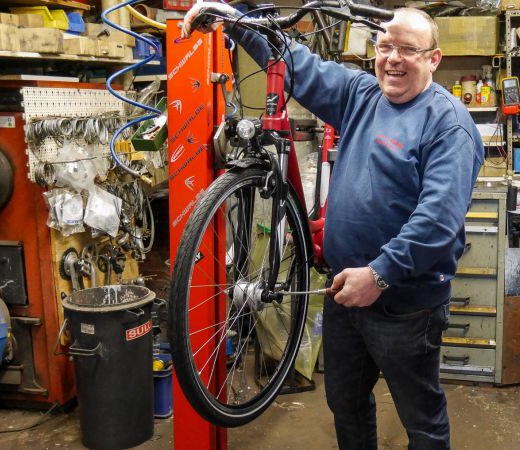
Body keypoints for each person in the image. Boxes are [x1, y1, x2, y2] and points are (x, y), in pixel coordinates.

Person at [184, 5, 484, 449]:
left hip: (405, 304)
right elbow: (294, 62)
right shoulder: (362, 96)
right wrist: (235, 19)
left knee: (420, 416)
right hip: (345, 293)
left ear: (434, 58)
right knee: (346, 403)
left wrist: (379, 274)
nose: (393, 59)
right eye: (385, 47)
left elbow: (438, 221)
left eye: (408, 49)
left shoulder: (448, 124)